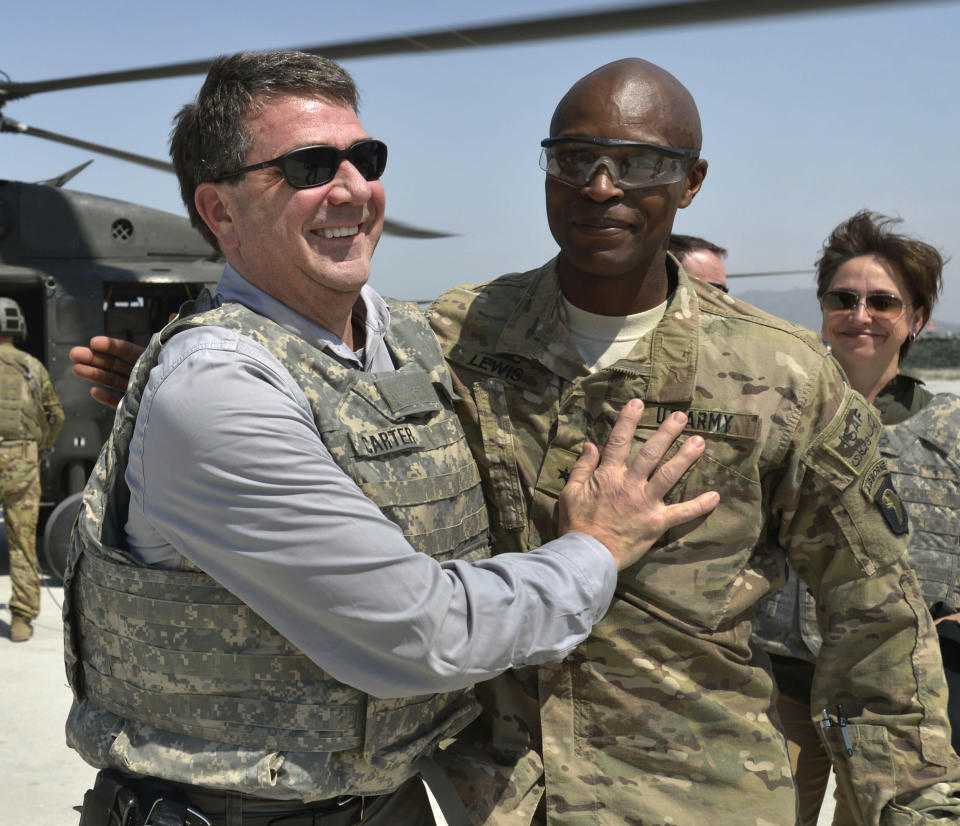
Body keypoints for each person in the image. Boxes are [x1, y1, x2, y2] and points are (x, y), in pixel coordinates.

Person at [63, 51, 719, 826]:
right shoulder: (214, 390)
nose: (353, 188)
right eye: (309, 166)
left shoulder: (410, 336)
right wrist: (595, 549)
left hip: (391, 799)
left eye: (364, 159)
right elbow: (418, 633)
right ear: (221, 212)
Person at [426, 59, 960, 824]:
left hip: (695, 795)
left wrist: (914, 807)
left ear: (692, 181)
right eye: (575, 159)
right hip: (498, 796)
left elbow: (874, 617)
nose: (600, 186)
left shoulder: (782, 375)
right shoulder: (460, 337)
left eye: (639, 163)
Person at [752, 210, 960, 825]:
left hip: (896, 695)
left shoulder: (948, 429)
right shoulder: (776, 416)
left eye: (882, 302)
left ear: (916, 320)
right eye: (844, 298)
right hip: (776, 681)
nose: (860, 315)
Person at [0, 297, 64, 642]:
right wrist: (41, 445)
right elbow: (56, 415)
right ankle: (22, 621)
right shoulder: (31, 366)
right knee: (22, 543)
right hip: (21, 466)